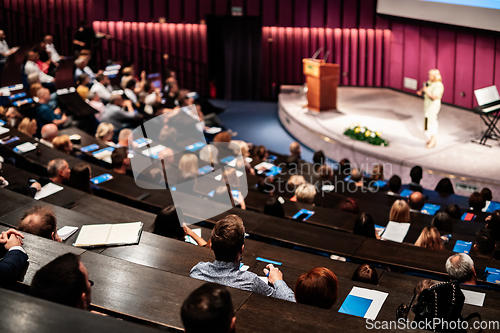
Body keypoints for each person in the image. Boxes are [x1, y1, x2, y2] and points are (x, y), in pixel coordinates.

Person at [190, 214, 295, 301]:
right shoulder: (250, 281)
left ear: (211, 247)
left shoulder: (198, 271)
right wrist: (277, 281)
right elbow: (290, 301)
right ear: (242, 249)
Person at [416, 69, 444, 148]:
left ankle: (433, 139)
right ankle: (431, 138)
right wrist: (421, 91)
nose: (429, 77)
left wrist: (427, 91)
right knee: (427, 121)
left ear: (435, 76)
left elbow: (434, 97)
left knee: (432, 121)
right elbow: (426, 88)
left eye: (431, 75)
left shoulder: (438, 85)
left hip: (433, 105)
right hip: (427, 104)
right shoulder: (430, 82)